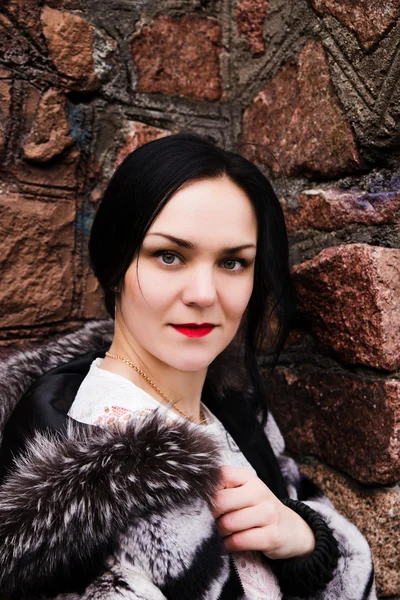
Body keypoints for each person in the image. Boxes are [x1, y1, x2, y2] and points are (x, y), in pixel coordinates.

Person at [0, 133, 376, 599]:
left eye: (233, 263)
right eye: (169, 256)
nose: (204, 293)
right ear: (115, 264)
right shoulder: (76, 484)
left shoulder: (238, 411)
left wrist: (305, 541)